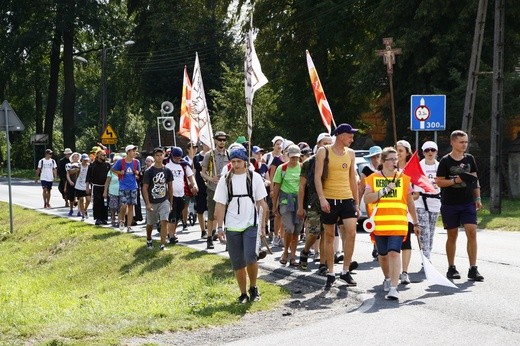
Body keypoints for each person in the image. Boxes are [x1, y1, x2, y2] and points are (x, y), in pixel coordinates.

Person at [214, 146, 268, 304]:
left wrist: (263, 226)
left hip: (251, 223)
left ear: (245, 162)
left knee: (250, 257)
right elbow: (220, 205)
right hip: (232, 225)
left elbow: (261, 203)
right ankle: (243, 293)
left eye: (239, 161)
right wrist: (219, 227)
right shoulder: (225, 180)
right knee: (237, 262)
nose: (236, 164)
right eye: (233, 161)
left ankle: (254, 287)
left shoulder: (255, 177)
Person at [364, 147, 420, 300]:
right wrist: (385, 190)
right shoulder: (372, 178)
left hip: (398, 224)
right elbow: (367, 199)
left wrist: (415, 222)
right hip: (379, 225)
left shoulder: (403, 178)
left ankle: (394, 288)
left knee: (394, 253)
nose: (395, 162)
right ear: (382, 162)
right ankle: (387, 278)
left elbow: (410, 202)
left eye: (396, 159)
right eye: (391, 159)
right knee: (383, 256)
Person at [314, 123, 360, 289]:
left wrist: (356, 202)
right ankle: (331, 272)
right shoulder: (323, 151)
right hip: (329, 198)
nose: (352, 139)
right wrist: (322, 199)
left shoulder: (351, 153)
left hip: (346, 198)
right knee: (329, 236)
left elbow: (352, 179)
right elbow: (317, 177)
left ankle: (345, 270)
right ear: (340, 135)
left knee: (352, 233)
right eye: (350, 135)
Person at [436, 130, 484, 281]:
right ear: (452, 143)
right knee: (452, 235)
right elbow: (439, 181)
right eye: (461, 142)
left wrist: (477, 197)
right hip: (450, 203)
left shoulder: (470, 159)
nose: (464, 145)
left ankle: (473, 268)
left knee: (472, 232)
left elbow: (474, 179)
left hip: (467, 202)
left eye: (466, 142)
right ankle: (451, 267)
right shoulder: (445, 161)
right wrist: (454, 181)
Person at [297, 132, 332, 272]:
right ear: (318, 145)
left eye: (330, 143)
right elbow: (301, 186)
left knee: (326, 233)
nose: (328, 146)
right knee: (314, 233)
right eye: (325, 143)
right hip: (313, 203)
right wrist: (300, 207)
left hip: (330, 202)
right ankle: (305, 251)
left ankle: (323, 265)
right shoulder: (308, 163)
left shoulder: (332, 162)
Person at [272, 145, 303, 267]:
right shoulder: (282, 168)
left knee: (296, 230)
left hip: (299, 201)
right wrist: (274, 205)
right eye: (292, 157)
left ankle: (293, 255)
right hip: (285, 200)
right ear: (288, 156)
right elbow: (277, 187)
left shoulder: (302, 167)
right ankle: (285, 252)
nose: (295, 159)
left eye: (297, 157)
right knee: (289, 228)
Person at [201, 131, 230, 249]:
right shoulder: (209, 155)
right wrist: (211, 179)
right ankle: (209, 238)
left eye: (224, 140)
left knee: (227, 214)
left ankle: (228, 240)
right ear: (215, 141)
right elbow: (202, 173)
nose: (222, 142)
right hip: (213, 188)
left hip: (226, 188)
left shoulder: (229, 155)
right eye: (220, 140)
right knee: (213, 214)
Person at [413, 141, 441, 260]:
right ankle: (426, 258)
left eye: (432, 150)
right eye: (427, 150)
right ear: (423, 152)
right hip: (421, 200)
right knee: (424, 230)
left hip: (435, 201)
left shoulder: (440, 166)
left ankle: (428, 251)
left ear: (436, 152)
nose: (430, 152)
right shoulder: (419, 166)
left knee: (431, 230)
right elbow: (416, 182)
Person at [165, 146, 198, 244]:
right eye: (175, 157)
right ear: (171, 155)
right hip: (169, 195)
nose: (177, 159)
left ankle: (172, 233)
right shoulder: (166, 164)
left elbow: (191, 177)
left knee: (178, 215)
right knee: (172, 215)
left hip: (181, 194)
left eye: (179, 157)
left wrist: (195, 185)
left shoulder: (184, 165)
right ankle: (171, 236)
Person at [142, 147, 174, 251]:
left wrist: (170, 203)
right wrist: (147, 203)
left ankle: (162, 245)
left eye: (161, 155)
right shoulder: (149, 171)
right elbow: (145, 188)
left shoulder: (167, 171)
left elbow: (170, 187)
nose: (159, 157)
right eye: (157, 155)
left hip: (164, 200)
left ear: (164, 156)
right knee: (150, 223)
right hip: (152, 200)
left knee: (164, 221)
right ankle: (149, 239)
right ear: (154, 157)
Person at [395, 139, 414, 285]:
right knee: (391, 245)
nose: (398, 153)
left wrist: (405, 196)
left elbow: (417, 193)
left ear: (407, 153)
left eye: (401, 151)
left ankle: (405, 272)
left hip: (405, 213)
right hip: (390, 212)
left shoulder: (413, 170)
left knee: (406, 242)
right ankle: (390, 275)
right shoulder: (389, 169)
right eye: (396, 150)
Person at [359, 146, 382, 259]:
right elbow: (361, 188)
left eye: (378, 156)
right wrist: (357, 205)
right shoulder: (366, 170)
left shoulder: (385, 169)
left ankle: (379, 247)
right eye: (373, 157)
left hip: (384, 202)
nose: (376, 159)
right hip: (371, 203)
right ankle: (377, 247)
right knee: (374, 225)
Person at [111, 145, 141, 233]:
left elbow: (138, 173)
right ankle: (121, 220)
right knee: (124, 205)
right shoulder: (121, 161)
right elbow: (112, 169)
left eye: (135, 151)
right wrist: (119, 173)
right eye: (133, 151)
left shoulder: (136, 162)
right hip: (123, 186)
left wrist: (136, 173)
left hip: (133, 187)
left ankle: (129, 226)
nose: (134, 153)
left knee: (131, 207)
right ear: (128, 152)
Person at [86, 149, 111, 225]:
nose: (104, 156)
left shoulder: (107, 165)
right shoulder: (93, 165)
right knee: (97, 202)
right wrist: (87, 186)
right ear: (98, 156)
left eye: (105, 155)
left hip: (105, 186)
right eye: (103, 155)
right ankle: (98, 218)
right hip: (96, 186)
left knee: (105, 203)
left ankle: (104, 218)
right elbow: (88, 177)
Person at [193, 142, 210, 238]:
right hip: (200, 186)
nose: (207, 146)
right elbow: (194, 172)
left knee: (212, 210)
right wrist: (193, 185)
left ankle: (212, 230)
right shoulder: (197, 157)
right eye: (205, 143)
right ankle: (203, 230)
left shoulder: (213, 156)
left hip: (211, 185)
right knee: (200, 210)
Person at [103, 155, 122, 227]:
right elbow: (107, 182)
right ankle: (113, 219)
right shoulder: (111, 172)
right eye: (115, 161)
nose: (116, 162)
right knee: (113, 207)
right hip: (112, 191)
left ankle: (120, 221)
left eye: (118, 161)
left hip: (122, 191)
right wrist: (105, 191)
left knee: (121, 207)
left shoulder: (123, 171)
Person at [75, 154, 91, 221]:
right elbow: (76, 175)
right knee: (81, 200)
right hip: (79, 184)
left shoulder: (89, 166)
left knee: (88, 199)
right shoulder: (79, 166)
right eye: (84, 160)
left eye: (87, 160)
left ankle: (85, 210)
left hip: (87, 184)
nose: (86, 161)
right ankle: (83, 214)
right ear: (82, 160)